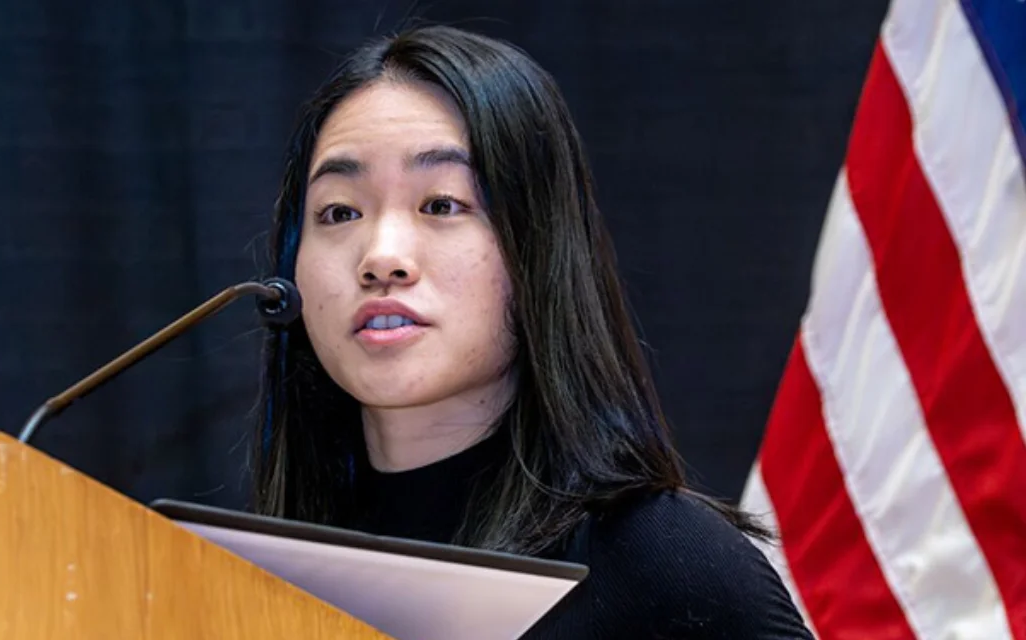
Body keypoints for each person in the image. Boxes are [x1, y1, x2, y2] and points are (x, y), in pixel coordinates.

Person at [250, 24, 813, 639]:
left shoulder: (670, 566)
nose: (381, 256)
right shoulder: (254, 573)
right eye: (339, 212)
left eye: (441, 204)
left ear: (539, 250)